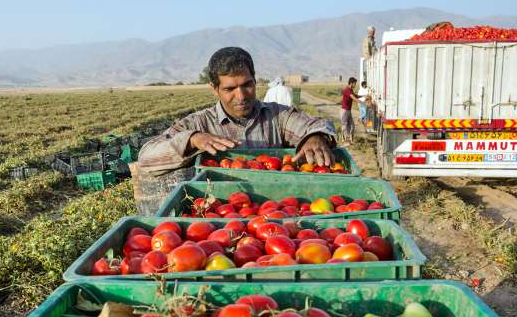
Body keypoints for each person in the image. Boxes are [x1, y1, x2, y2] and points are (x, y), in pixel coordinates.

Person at [135, 47, 337, 214]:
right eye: (230, 89)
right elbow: (146, 156)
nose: (241, 96)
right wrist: (192, 139)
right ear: (214, 89)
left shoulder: (277, 116)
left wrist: (315, 136)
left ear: (255, 81)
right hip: (221, 214)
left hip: (276, 211)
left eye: (247, 85)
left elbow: (315, 124)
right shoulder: (200, 123)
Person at [340, 77, 360, 144]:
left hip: (348, 110)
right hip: (344, 110)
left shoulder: (350, 90)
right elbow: (354, 98)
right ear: (351, 83)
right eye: (355, 83)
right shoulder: (347, 90)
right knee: (344, 126)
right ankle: (344, 140)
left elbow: (356, 96)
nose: (355, 85)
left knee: (352, 126)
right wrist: (364, 102)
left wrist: (364, 96)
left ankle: (351, 140)